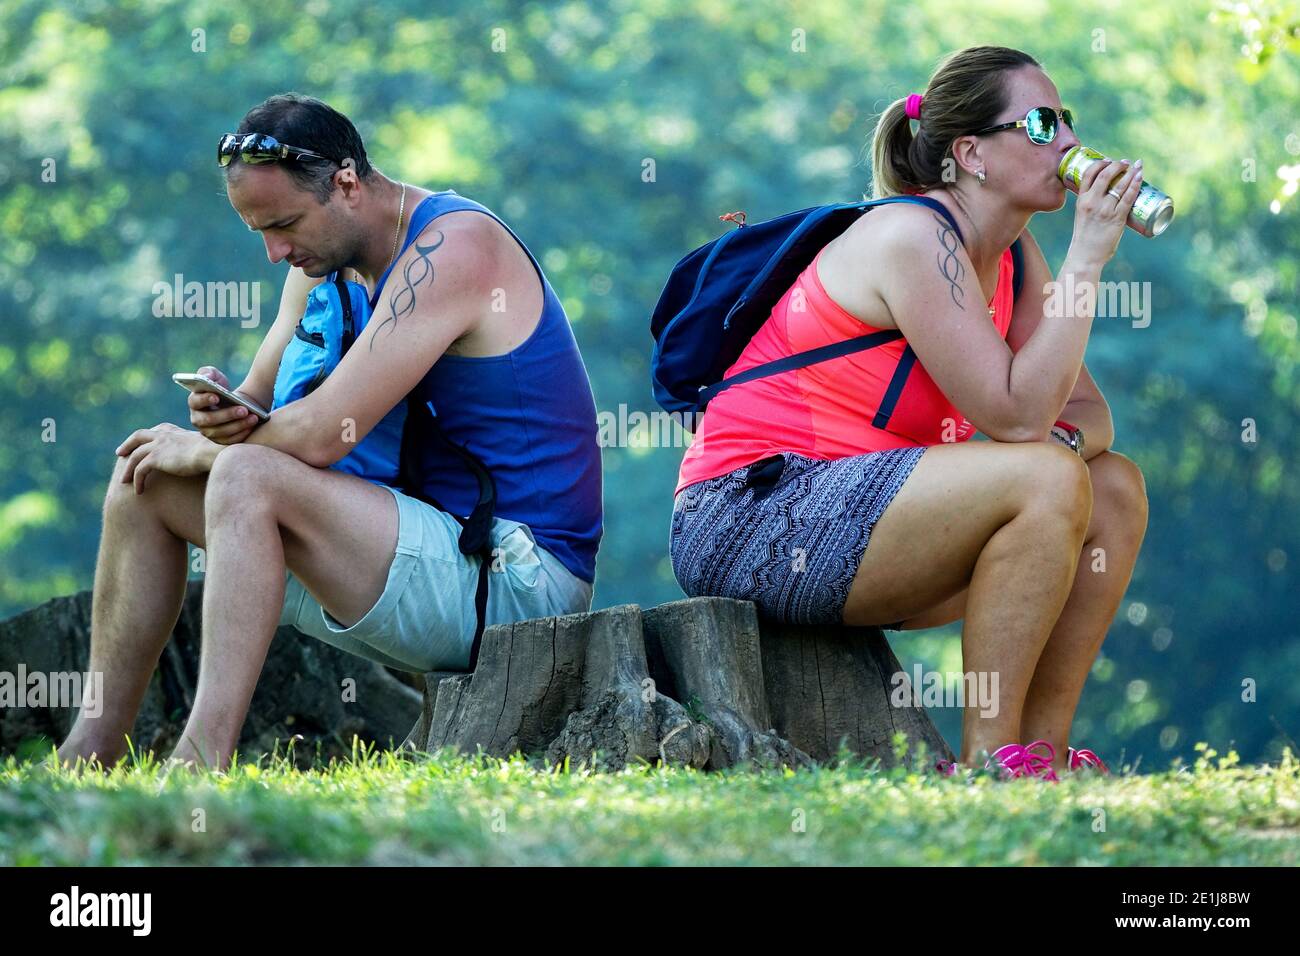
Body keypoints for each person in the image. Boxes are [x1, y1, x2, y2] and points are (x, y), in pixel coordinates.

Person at [56, 93, 603, 771]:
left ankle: (200, 763)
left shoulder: (456, 247)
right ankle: (85, 757)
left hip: (518, 583)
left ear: (346, 182)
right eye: (258, 231)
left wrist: (214, 450)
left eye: (283, 224)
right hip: (399, 545)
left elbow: (317, 436)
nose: (274, 251)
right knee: (145, 476)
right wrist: (218, 415)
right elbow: (260, 405)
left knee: (245, 475)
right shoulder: (319, 261)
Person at [668, 46, 1148, 780]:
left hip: (880, 524)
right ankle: (990, 765)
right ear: (971, 154)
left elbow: (1085, 414)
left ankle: (1039, 757)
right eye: (1044, 123)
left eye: (1070, 121)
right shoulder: (912, 237)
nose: (1073, 144)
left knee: (1112, 487)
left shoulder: (1017, 261)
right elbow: (1019, 419)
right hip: (749, 513)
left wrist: (1056, 449)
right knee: (1048, 476)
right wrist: (1088, 261)